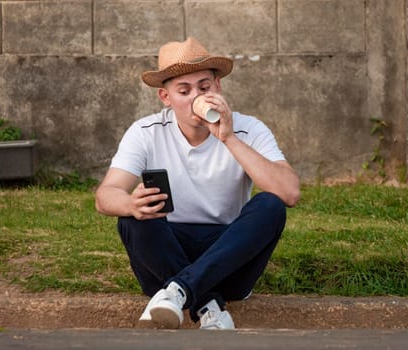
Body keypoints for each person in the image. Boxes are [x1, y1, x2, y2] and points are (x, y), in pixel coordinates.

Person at [95, 37, 300, 330]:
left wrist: (228, 138)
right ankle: (206, 304)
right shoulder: (145, 132)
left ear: (217, 87)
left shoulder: (247, 128)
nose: (196, 97)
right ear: (166, 98)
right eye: (184, 90)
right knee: (132, 218)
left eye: (203, 87)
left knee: (271, 205)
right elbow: (105, 196)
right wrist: (130, 203)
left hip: (229, 255)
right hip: (164, 255)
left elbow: (289, 192)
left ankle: (178, 291)